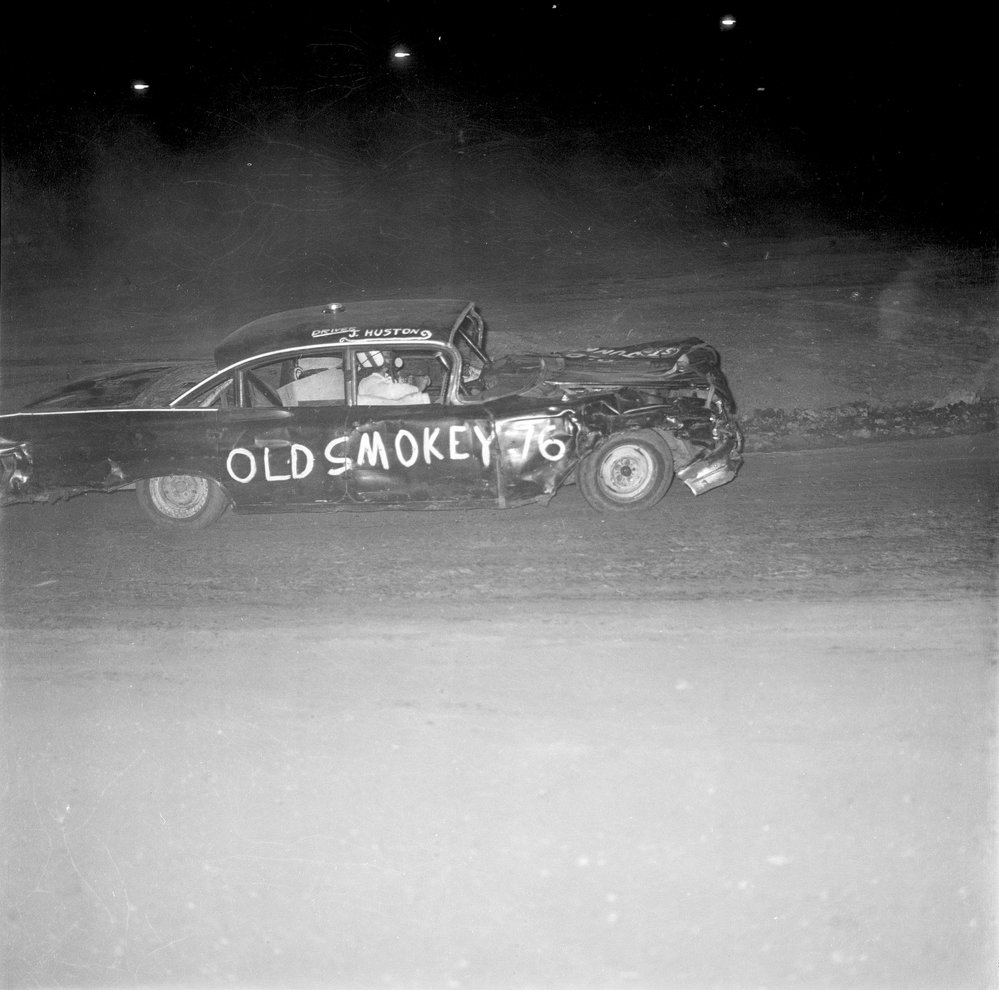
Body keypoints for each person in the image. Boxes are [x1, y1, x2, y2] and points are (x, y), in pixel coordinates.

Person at [355, 351, 430, 405]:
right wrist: (417, 387)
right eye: (387, 356)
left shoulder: (386, 378)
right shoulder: (368, 381)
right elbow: (392, 392)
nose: (391, 360)